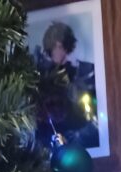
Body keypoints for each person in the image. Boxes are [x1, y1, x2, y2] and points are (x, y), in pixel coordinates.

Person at [37, 21, 99, 150]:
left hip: (84, 139)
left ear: (62, 46)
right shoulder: (43, 77)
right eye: (53, 48)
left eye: (57, 46)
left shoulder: (87, 70)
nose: (54, 52)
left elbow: (96, 113)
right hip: (54, 142)